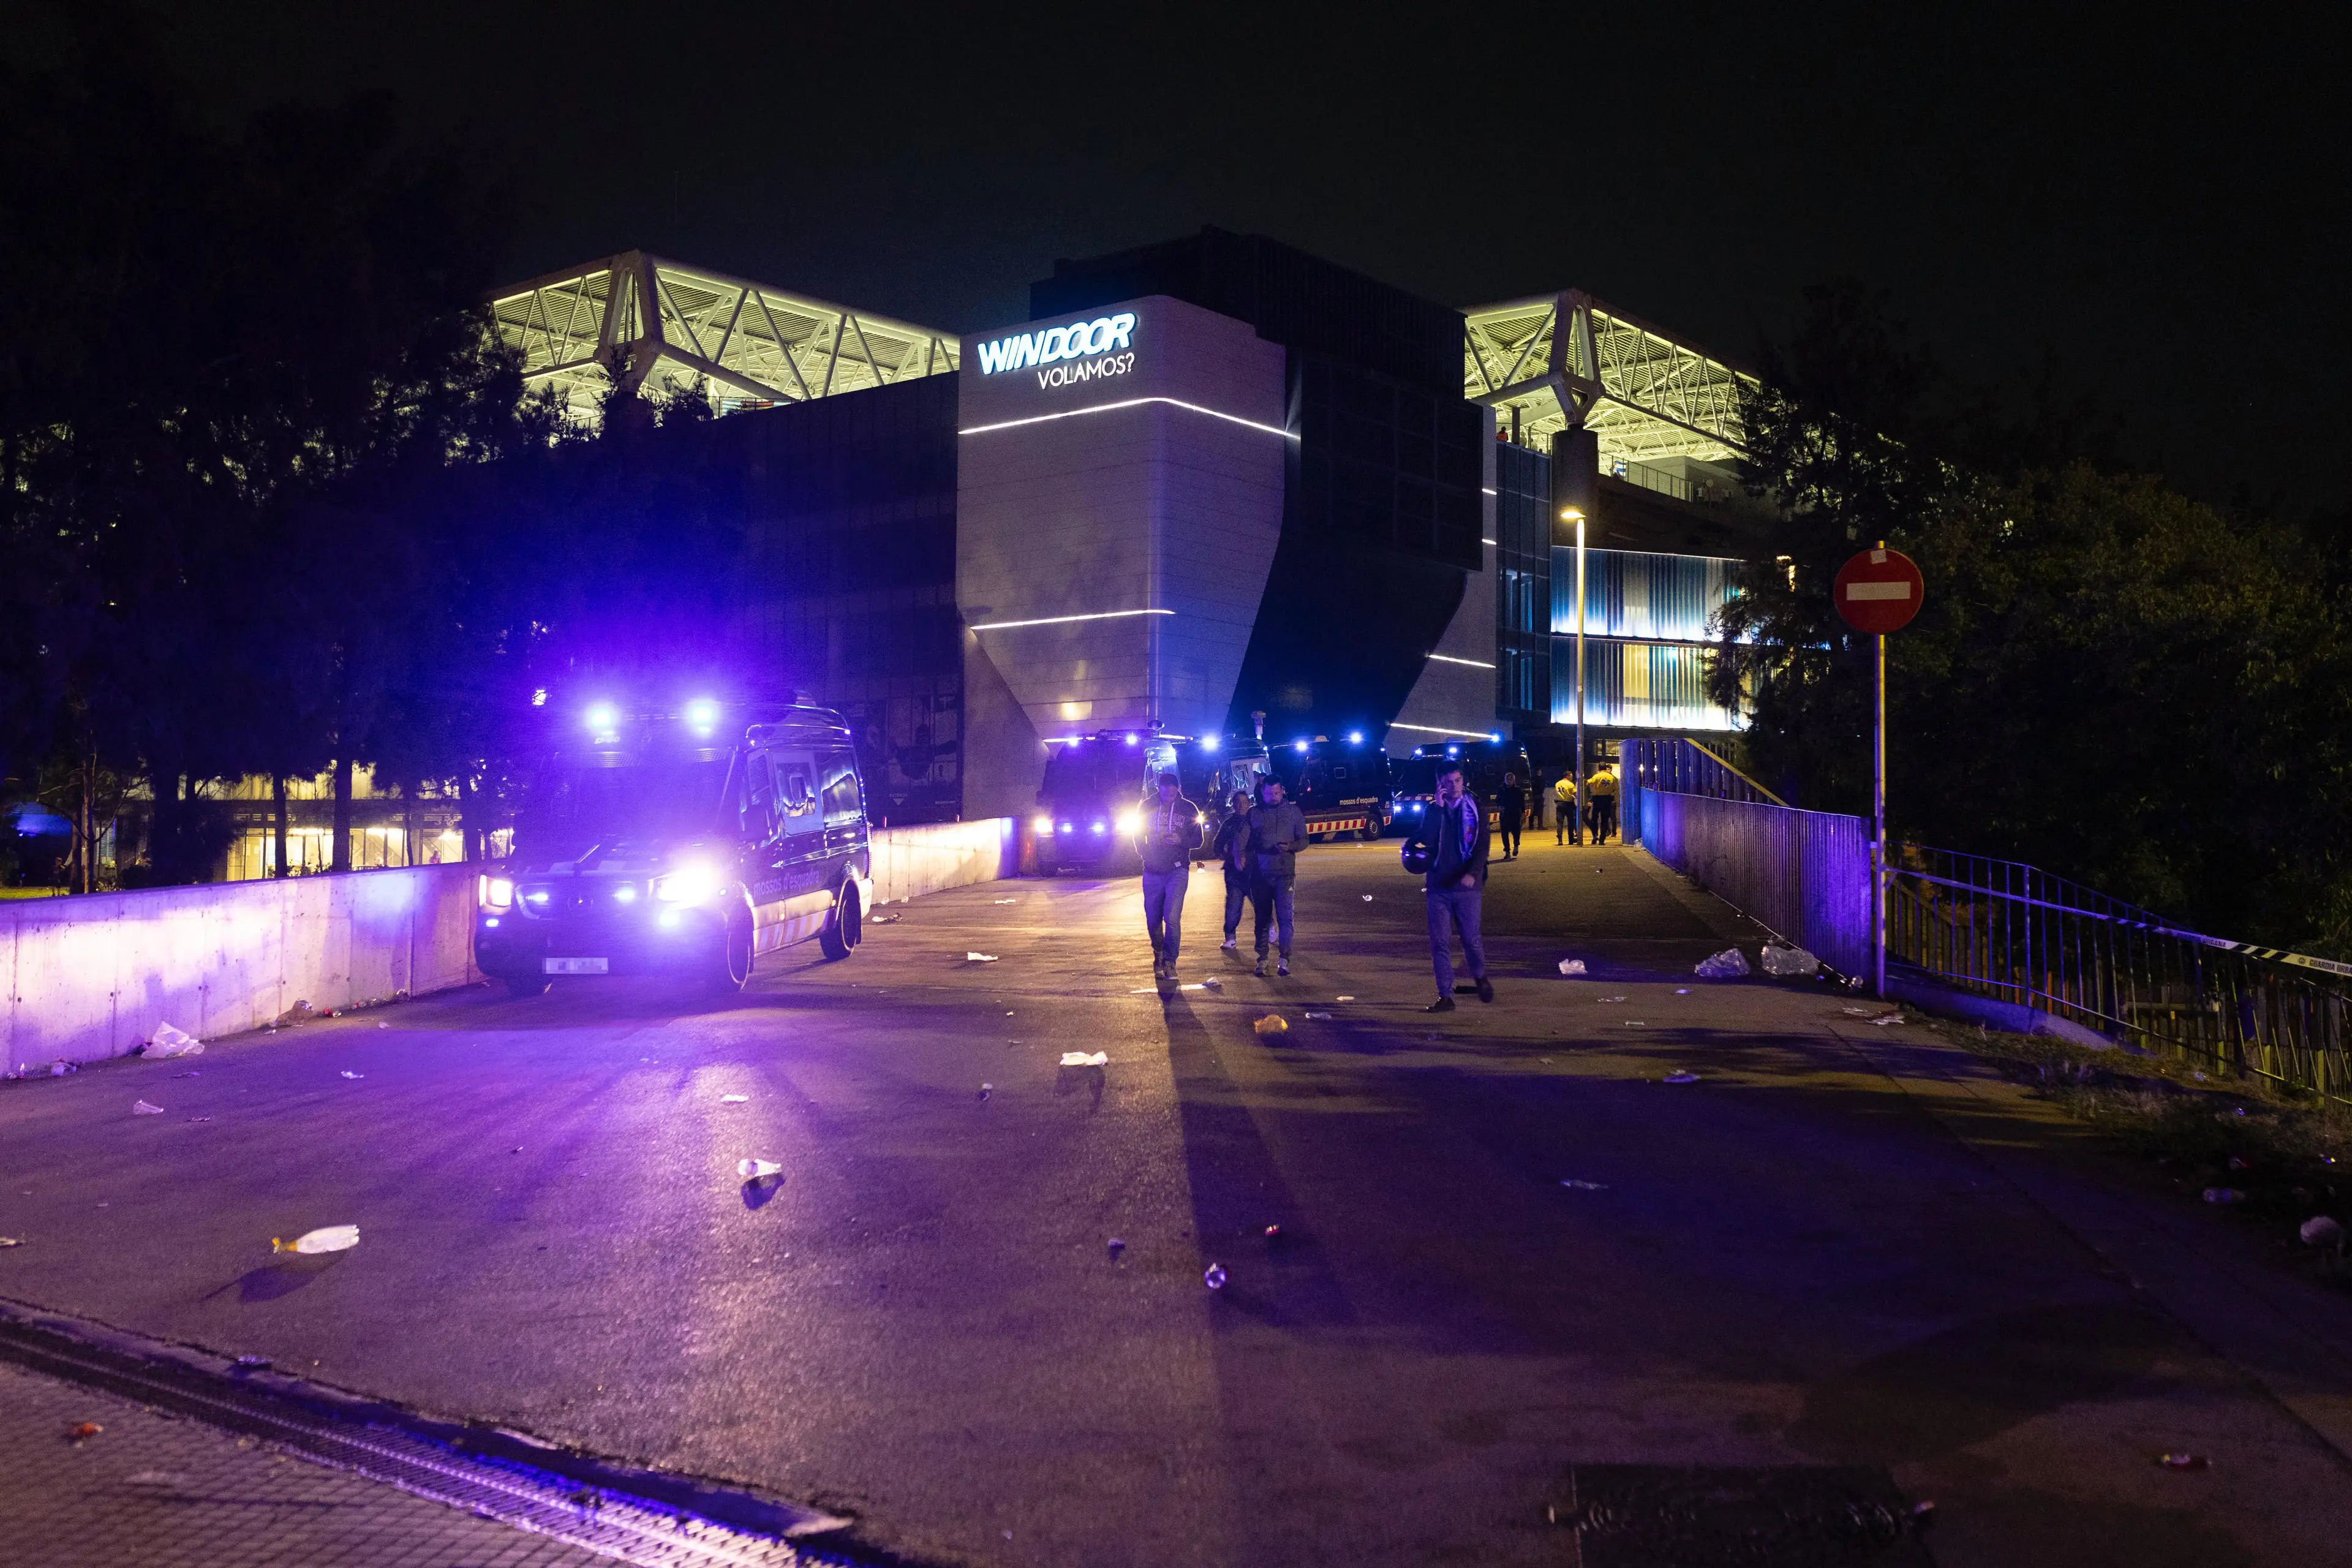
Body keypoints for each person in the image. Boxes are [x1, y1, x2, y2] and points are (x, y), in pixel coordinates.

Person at [1406, 759, 1491, 1011]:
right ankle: (1446, 995)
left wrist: (1473, 874)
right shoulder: (1434, 810)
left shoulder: (1475, 808)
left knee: (1471, 939)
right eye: (1449, 782)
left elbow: (1482, 845)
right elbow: (1427, 838)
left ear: (1463, 780)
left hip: (1467, 886)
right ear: (1439, 784)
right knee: (1440, 942)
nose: (1455, 786)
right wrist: (1438, 808)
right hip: (1439, 887)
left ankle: (1480, 977)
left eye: (1458, 781)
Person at [1136, 771, 1203, 979]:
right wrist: (1147, 853)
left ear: (1178, 788)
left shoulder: (1188, 808)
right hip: (1152, 870)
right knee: (1153, 917)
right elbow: (1138, 836)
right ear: (1160, 788)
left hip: (1178, 869)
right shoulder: (1146, 806)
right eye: (1166, 788)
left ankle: (1170, 962)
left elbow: (1198, 839)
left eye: (1174, 788)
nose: (1170, 792)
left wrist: (1180, 841)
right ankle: (1159, 952)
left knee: (1172, 916)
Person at [1245, 775, 1306, 978]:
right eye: (1269, 794)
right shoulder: (1254, 813)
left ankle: (1284, 959)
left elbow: (1304, 839)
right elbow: (1245, 840)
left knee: (1285, 918)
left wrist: (1292, 847)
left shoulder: (1293, 812)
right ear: (1262, 793)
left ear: (1283, 791)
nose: (1273, 797)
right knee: (1262, 919)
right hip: (1261, 875)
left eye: (1277, 793)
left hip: (1285, 874)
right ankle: (1262, 959)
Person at [1210, 786, 1254, 951]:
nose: (1242, 806)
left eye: (1245, 802)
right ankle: (1230, 937)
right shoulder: (1228, 824)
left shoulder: (1256, 821)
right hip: (1234, 874)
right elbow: (1217, 843)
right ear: (1233, 805)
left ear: (1249, 804)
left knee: (1260, 904)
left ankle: (1269, 927)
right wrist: (1222, 853)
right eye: (1238, 803)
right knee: (1233, 907)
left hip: (1254, 873)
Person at [1586, 762, 1619, 845]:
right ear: (1605, 768)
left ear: (1599, 768)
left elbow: (1588, 783)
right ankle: (1602, 840)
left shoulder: (1596, 776)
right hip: (1607, 799)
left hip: (1597, 799)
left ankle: (1595, 836)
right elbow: (1617, 790)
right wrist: (1617, 801)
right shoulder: (1612, 777)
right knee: (1605, 820)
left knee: (1594, 819)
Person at [1497, 771, 1526, 861]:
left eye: (1510, 779)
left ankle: (1516, 845)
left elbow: (1522, 801)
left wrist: (1523, 812)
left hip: (1515, 813)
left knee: (1516, 831)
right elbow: (1497, 800)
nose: (1509, 781)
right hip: (1505, 813)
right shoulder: (1501, 789)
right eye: (1507, 779)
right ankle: (1507, 852)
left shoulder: (1518, 790)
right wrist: (1499, 806)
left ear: (1514, 780)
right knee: (1504, 833)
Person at [1553, 769, 1577, 845]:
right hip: (1569, 804)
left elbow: (1556, 794)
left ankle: (1560, 840)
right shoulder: (1571, 784)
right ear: (1567, 776)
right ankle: (1571, 839)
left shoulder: (1558, 783)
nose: (1572, 778)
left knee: (1560, 822)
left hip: (1559, 804)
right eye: (1571, 776)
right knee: (1571, 822)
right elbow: (1576, 795)